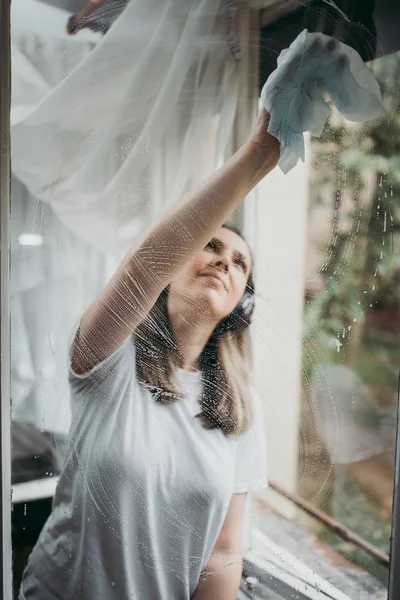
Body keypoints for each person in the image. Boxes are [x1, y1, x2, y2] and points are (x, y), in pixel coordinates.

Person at [18, 109, 280, 600]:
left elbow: (224, 553)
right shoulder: (108, 360)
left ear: (240, 303)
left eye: (239, 262)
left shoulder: (243, 410)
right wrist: (259, 154)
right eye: (209, 246)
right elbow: (143, 265)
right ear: (174, 265)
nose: (225, 260)